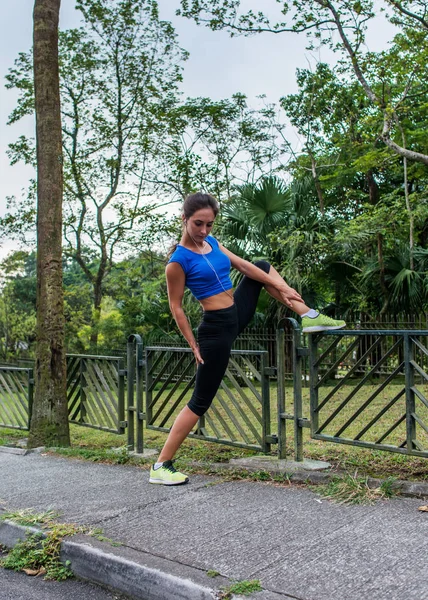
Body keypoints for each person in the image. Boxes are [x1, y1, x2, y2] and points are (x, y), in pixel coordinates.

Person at [149, 192, 345, 486]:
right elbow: (176, 307)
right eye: (198, 224)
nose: (204, 231)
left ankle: (308, 316)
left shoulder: (212, 244)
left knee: (263, 266)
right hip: (215, 330)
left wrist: (284, 288)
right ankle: (161, 465)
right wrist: (192, 343)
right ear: (184, 219)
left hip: (236, 313)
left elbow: (245, 267)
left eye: (210, 225)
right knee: (200, 401)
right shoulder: (177, 262)